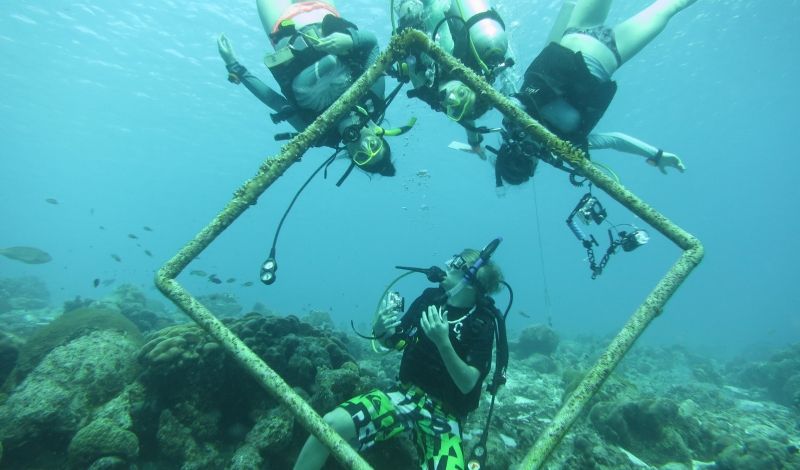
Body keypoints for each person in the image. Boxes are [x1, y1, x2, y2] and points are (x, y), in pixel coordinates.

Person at [292, 244, 505, 470]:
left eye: (455, 264)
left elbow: (467, 384)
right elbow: (396, 341)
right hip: (402, 395)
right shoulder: (430, 298)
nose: (446, 265)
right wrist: (382, 329)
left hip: (444, 416)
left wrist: (443, 342)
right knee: (329, 424)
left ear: (469, 281)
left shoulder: (482, 323)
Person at [494, 0, 697, 185]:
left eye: (518, 160)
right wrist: (657, 154)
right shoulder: (558, 145)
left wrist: (658, 155)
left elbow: (614, 140)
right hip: (577, 37)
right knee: (671, 6)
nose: (527, 154)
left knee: (671, 6)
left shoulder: (518, 118)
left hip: (597, 48)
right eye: (525, 164)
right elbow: (614, 140)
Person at [218, 0, 409, 176]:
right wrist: (351, 40)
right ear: (378, 135)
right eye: (373, 145)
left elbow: (276, 102)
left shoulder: (318, 133)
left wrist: (235, 67)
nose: (362, 145)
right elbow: (372, 45)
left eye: (361, 156)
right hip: (321, 7)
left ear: (351, 156)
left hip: (280, 23)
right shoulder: (373, 99)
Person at [394, 0, 514, 157]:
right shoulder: (450, 57)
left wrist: (474, 142)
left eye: (454, 110)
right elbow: (435, 9)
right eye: (462, 94)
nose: (451, 98)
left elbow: (466, 115)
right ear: (469, 84)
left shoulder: (433, 92)